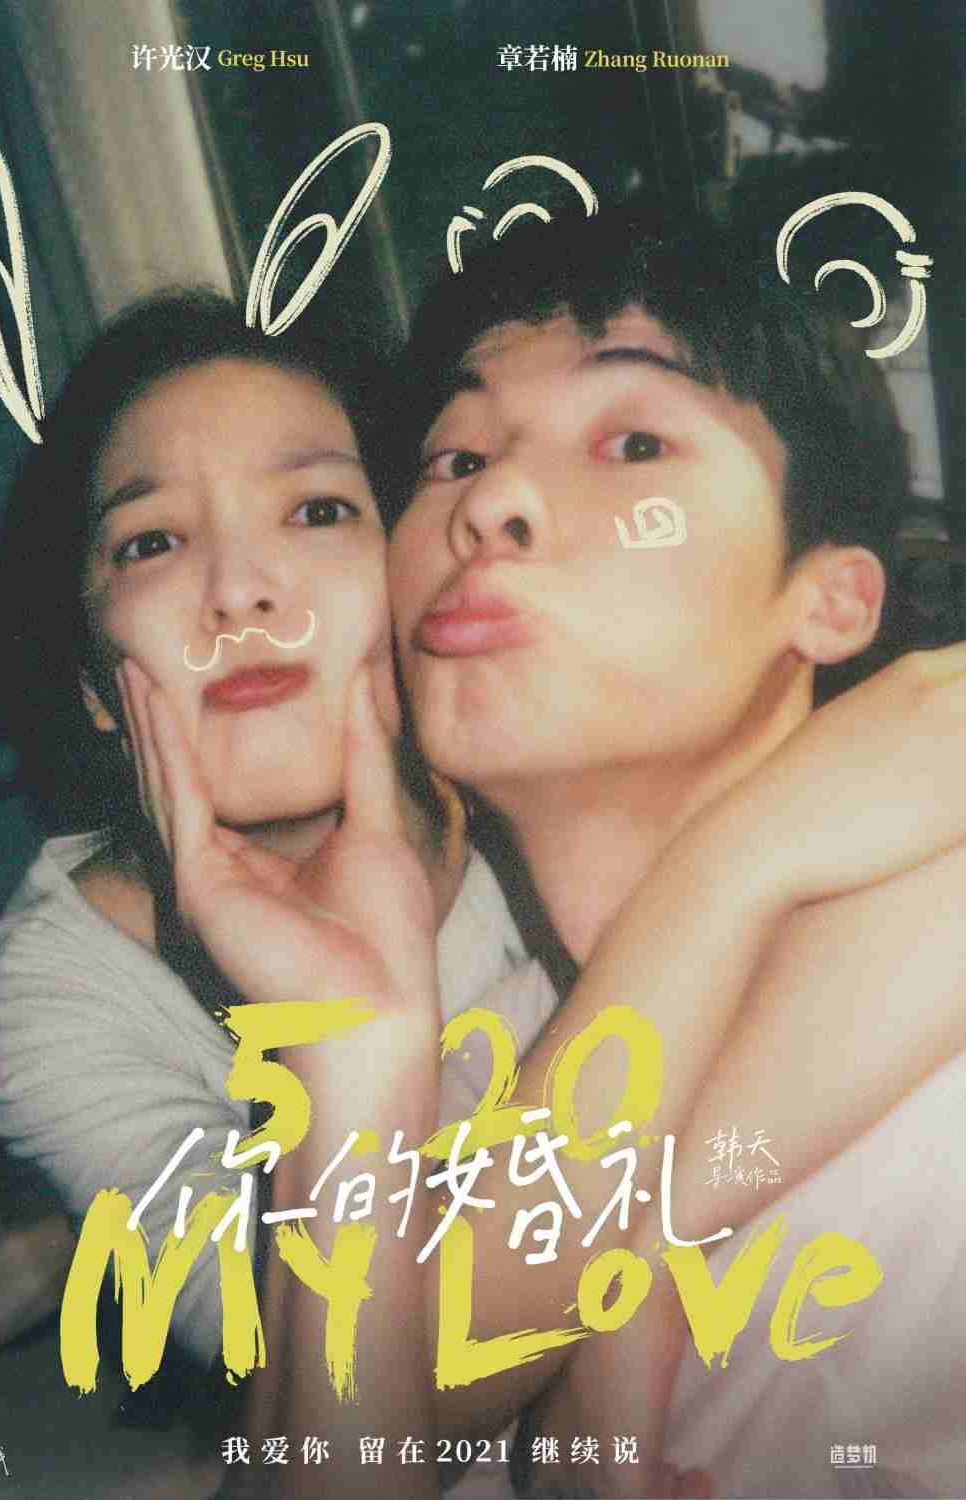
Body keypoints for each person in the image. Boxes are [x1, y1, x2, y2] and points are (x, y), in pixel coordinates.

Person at [382, 209, 966, 1497]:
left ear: (832, 599)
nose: (490, 502)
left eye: (635, 443)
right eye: (452, 456)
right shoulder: (473, 1084)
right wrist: (736, 869)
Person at [0, 290, 545, 1494]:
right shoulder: (49, 998)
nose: (240, 592)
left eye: (318, 510)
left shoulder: (541, 782)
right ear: (93, 680)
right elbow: (358, 1402)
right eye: (151, 542)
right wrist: (349, 1048)